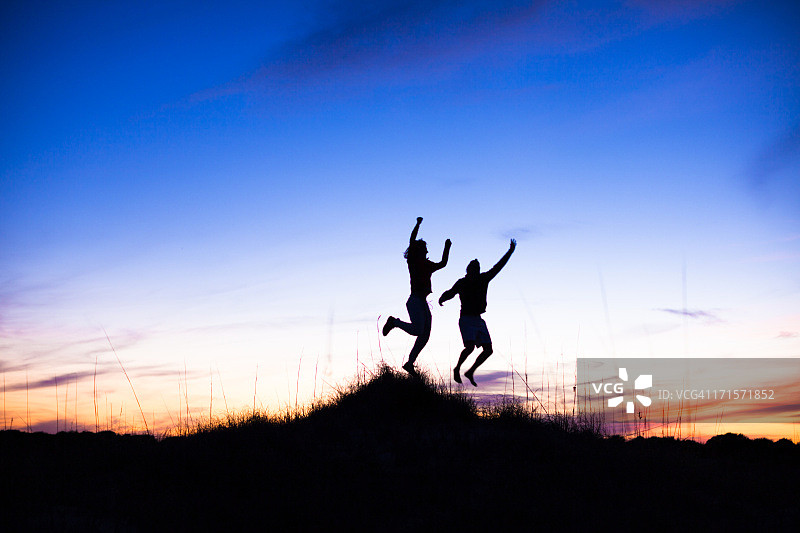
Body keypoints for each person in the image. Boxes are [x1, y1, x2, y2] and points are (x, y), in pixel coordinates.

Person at [438, 239, 516, 386]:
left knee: (488, 350)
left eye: (477, 268)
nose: (476, 270)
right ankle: (457, 368)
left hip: (478, 319)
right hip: (466, 319)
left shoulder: (483, 279)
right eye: (474, 268)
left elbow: (498, 267)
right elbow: (451, 292)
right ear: (469, 270)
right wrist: (443, 298)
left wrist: (510, 252)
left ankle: (470, 371)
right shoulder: (463, 282)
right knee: (470, 347)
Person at [383, 217, 451, 376]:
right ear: (418, 250)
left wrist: (447, 247)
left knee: (425, 335)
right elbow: (412, 240)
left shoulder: (428, 265)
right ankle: (394, 322)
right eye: (425, 249)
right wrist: (418, 224)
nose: (427, 251)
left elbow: (443, 263)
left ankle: (409, 363)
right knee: (418, 330)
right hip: (414, 301)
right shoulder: (413, 261)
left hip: (422, 302)